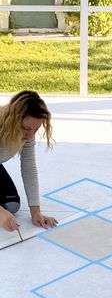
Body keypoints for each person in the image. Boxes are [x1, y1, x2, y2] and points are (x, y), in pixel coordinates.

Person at [0, 90, 58, 232]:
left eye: (35, 129)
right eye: (26, 128)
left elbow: (29, 169)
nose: (30, 135)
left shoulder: (28, 134)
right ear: (13, 120)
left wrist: (36, 211)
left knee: (12, 205)